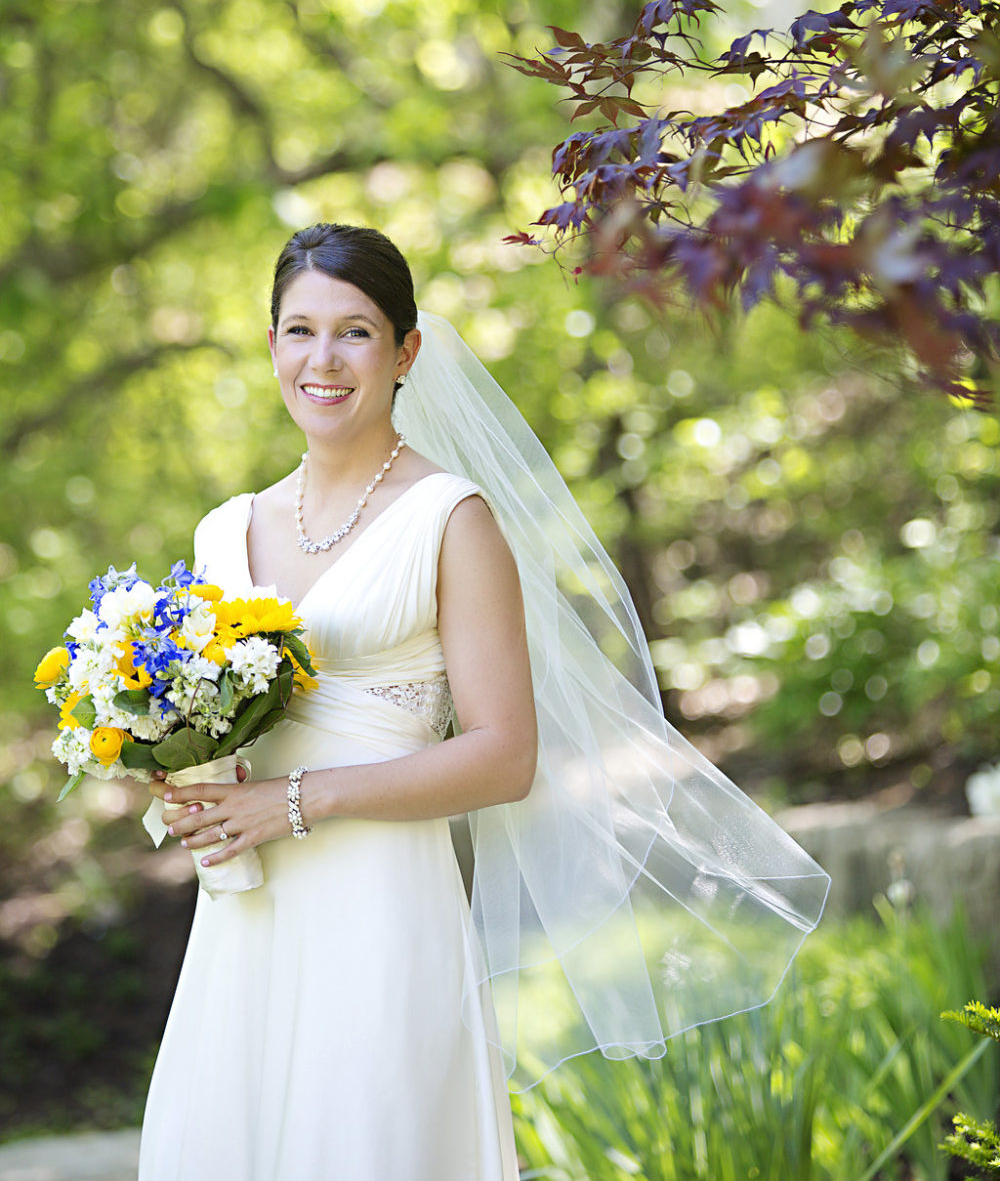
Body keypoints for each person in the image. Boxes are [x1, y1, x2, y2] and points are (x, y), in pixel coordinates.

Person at [139, 223, 830, 1181]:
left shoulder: (449, 518)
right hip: (246, 912)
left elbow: (507, 755)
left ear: (405, 352)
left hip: (381, 904)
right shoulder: (224, 533)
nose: (323, 360)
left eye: (356, 332)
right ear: (270, 348)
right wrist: (191, 781)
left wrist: (296, 802)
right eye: (300, 331)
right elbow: (214, 727)